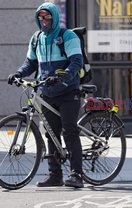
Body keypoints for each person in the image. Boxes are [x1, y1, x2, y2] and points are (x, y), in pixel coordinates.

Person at [7, 2, 84, 188]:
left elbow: (76, 61)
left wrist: (62, 75)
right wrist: (19, 73)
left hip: (68, 91)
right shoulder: (36, 38)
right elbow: (31, 63)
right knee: (51, 133)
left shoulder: (67, 36)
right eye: (40, 18)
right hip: (48, 92)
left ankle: (77, 175)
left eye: (47, 17)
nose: (44, 21)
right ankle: (55, 176)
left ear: (55, 17)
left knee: (69, 131)